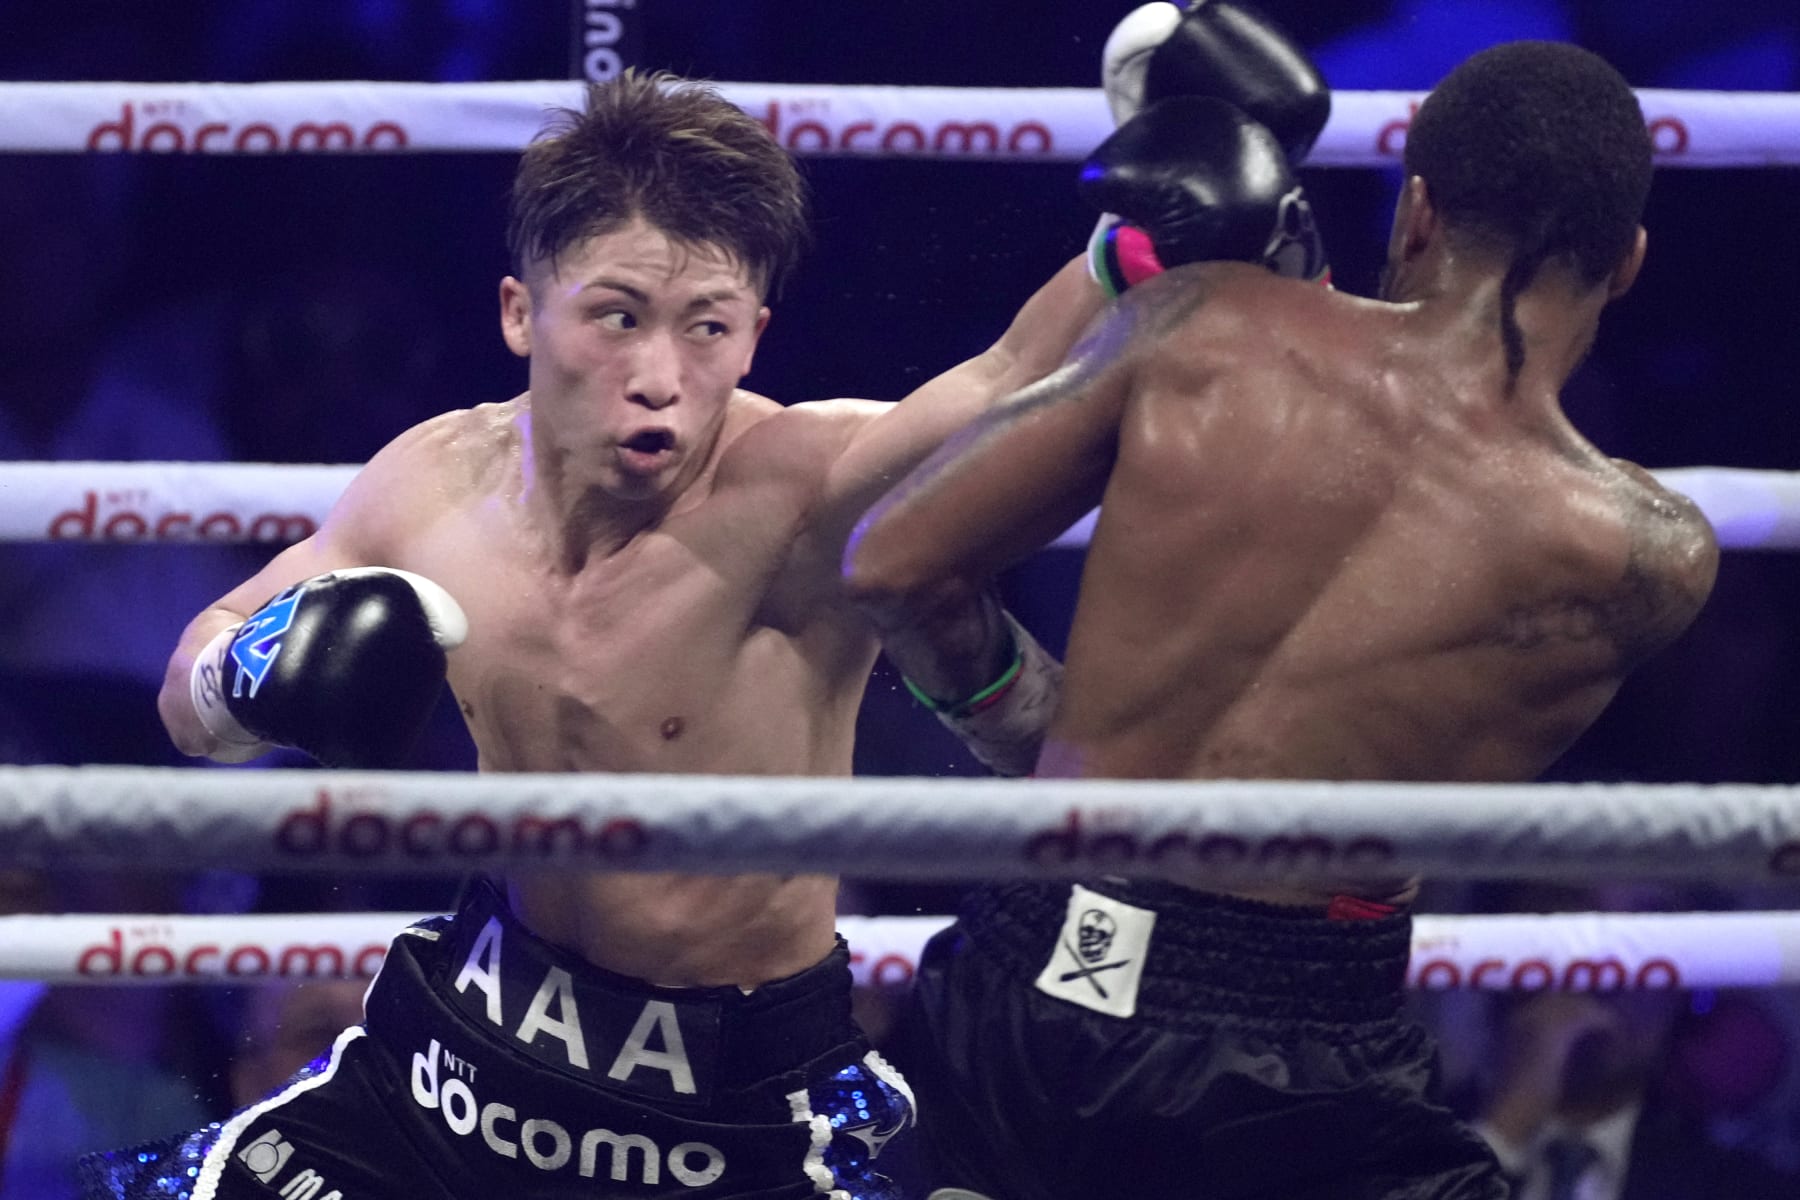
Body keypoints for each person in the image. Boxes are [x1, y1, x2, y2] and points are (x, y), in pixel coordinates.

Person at [83, 71, 1099, 1200]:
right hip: (460, 1059)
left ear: (756, 335)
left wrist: (1140, 251)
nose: (660, 379)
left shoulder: (809, 493)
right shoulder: (431, 486)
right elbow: (191, 690)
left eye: (707, 327)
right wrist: (251, 676)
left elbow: (1014, 382)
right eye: (616, 316)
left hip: (740, 1105)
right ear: (523, 312)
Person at [843, 31, 1719, 1200]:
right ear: (1629, 263)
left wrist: (1027, 725)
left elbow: (895, 561)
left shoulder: (1204, 326)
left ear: (1417, 209)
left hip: (1035, 969)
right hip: (1300, 1057)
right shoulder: (1651, 560)